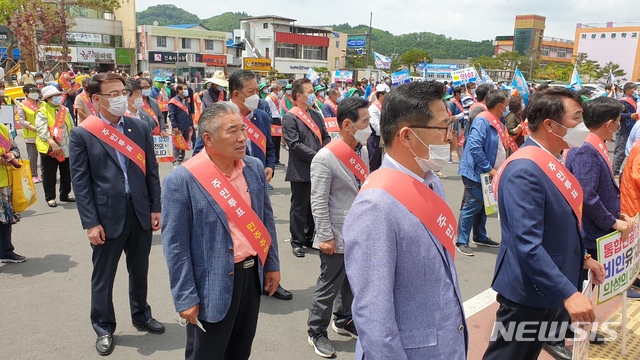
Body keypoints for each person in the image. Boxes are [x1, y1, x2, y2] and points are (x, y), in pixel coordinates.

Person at [343, 81, 467, 359]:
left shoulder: (432, 182)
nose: (451, 138)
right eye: (443, 127)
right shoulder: (375, 205)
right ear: (407, 136)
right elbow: (373, 314)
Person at [483, 88, 606, 360]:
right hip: (527, 289)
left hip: (548, 285)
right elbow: (527, 243)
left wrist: (583, 257)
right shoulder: (525, 170)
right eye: (577, 118)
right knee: (508, 355)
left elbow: (559, 224)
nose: (583, 126)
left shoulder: (553, 160)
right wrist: (567, 293)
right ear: (550, 124)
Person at [162, 102, 281, 360]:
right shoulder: (182, 180)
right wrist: (184, 297)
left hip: (251, 278)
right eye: (232, 131)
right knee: (207, 354)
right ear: (208, 139)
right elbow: (176, 245)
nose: (242, 138)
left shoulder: (254, 168)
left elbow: (266, 222)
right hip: (210, 283)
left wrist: (271, 265)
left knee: (240, 350)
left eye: (243, 130)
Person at [69, 72, 164, 356]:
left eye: (122, 92)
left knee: (140, 270)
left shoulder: (139, 127)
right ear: (96, 99)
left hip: (139, 211)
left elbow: (151, 171)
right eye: (113, 94)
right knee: (104, 276)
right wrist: (90, 223)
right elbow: (81, 183)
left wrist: (155, 207)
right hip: (106, 217)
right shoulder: (83, 133)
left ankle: (141, 314)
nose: (121, 98)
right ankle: (103, 327)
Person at [307, 97, 370, 358]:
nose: (370, 126)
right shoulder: (325, 157)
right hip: (335, 233)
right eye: (365, 121)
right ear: (347, 124)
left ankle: (343, 319)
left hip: (358, 231)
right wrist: (325, 236)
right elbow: (318, 201)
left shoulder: (362, 149)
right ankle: (316, 331)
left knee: (351, 283)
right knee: (328, 286)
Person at [456, 90, 509, 256]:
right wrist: (489, 168)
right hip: (476, 172)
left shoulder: (497, 121)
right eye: (506, 105)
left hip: (487, 173)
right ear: (499, 105)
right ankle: (461, 240)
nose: (507, 108)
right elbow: (475, 148)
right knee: (472, 205)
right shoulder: (483, 121)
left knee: (484, 205)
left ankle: (480, 235)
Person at [283, 78, 331, 257]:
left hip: (319, 168)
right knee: (299, 207)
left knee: (315, 205)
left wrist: (324, 153)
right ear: (299, 96)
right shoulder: (290, 117)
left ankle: (309, 237)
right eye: (310, 92)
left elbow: (326, 137)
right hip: (301, 169)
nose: (314, 95)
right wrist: (317, 156)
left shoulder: (316, 114)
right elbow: (294, 144)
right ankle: (297, 241)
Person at [35, 85, 75, 208]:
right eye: (54, 96)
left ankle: (64, 194)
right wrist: (52, 144)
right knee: (49, 174)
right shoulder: (42, 111)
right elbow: (41, 130)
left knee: (67, 172)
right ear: (48, 99)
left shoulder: (65, 110)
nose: (58, 98)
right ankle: (50, 197)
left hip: (65, 146)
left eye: (58, 95)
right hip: (50, 147)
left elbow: (71, 126)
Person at [0, 119, 24, 263]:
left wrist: (12, 156)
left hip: (5, 182)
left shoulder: (2, 128)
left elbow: (15, 148)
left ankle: (6, 251)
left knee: (5, 220)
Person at [17, 84, 42, 183]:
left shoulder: (42, 103)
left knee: (46, 156)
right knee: (32, 156)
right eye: (32, 92)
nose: (35, 94)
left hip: (44, 134)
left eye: (36, 92)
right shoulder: (22, 105)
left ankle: (44, 174)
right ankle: (33, 175)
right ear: (26, 93)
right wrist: (34, 128)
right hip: (31, 134)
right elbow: (21, 120)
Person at [613, 82, 638, 178]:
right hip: (624, 128)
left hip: (632, 129)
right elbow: (618, 115)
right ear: (628, 91)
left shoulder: (634, 101)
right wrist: (630, 116)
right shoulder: (622, 101)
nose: (635, 91)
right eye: (634, 89)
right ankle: (614, 170)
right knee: (621, 150)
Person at [169, 84, 194, 166]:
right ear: (179, 91)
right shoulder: (173, 101)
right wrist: (174, 126)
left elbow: (189, 113)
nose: (186, 90)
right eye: (184, 89)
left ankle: (181, 160)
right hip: (178, 127)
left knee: (183, 144)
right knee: (176, 145)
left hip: (186, 125)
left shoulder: (186, 101)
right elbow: (171, 115)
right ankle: (175, 162)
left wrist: (190, 124)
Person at [367, 83, 389, 172]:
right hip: (375, 140)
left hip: (383, 139)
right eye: (387, 95)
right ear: (381, 95)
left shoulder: (384, 107)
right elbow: (376, 126)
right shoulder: (373, 108)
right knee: (373, 164)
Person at [265, 81, 284, 166]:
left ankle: (277, 159)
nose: (281, 91)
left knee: (277, 141)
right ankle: (272, 159)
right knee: (273, 141)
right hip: (273, 119)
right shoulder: (269, 98)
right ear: (275, 90)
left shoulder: (277, 98)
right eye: (280, 89)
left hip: (278, 118)